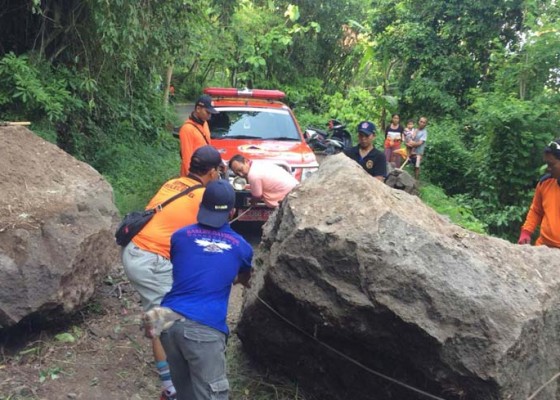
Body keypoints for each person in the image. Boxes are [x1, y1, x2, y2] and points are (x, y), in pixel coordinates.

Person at [121, 145, 223, 400]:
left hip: (138, 250)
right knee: (165, 323)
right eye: (218, 171)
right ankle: (171, 388)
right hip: (150, 259)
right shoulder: (203, 196)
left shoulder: (174, 183)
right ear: (211, 172)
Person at [159, 180, 253, 400]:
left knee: (185, 391)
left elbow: (187, 265)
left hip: (166, 322)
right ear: (232, 211)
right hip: (203, 329)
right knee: (212, 395)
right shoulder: (241, 247)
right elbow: (246, 278)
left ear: (202, 205)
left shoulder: (180, 236)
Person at [518, 139, 560, 248]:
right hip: (544, 247)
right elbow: (536, 210)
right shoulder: (545, 183)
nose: (548, 169)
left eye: (551, 164)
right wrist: (526, 232)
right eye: (546, 164)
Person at [228, 154, 299, 208]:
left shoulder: (253, 175)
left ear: (246, 161)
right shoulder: (256, 165)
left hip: (289, 198)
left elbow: (257, 195)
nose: (240, 174)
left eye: (240, 169)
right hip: (295, 190)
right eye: (237, 173)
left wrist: (252, 202)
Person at [179, 94, 218, 177]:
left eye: (211, 113)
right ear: (198, 109)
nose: (209, 115)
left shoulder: (205, 123)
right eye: (207, 112)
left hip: (204, 174)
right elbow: (187, 158)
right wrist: (192, 180)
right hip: (193, 177)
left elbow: (208, 146)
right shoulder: (187, 129)